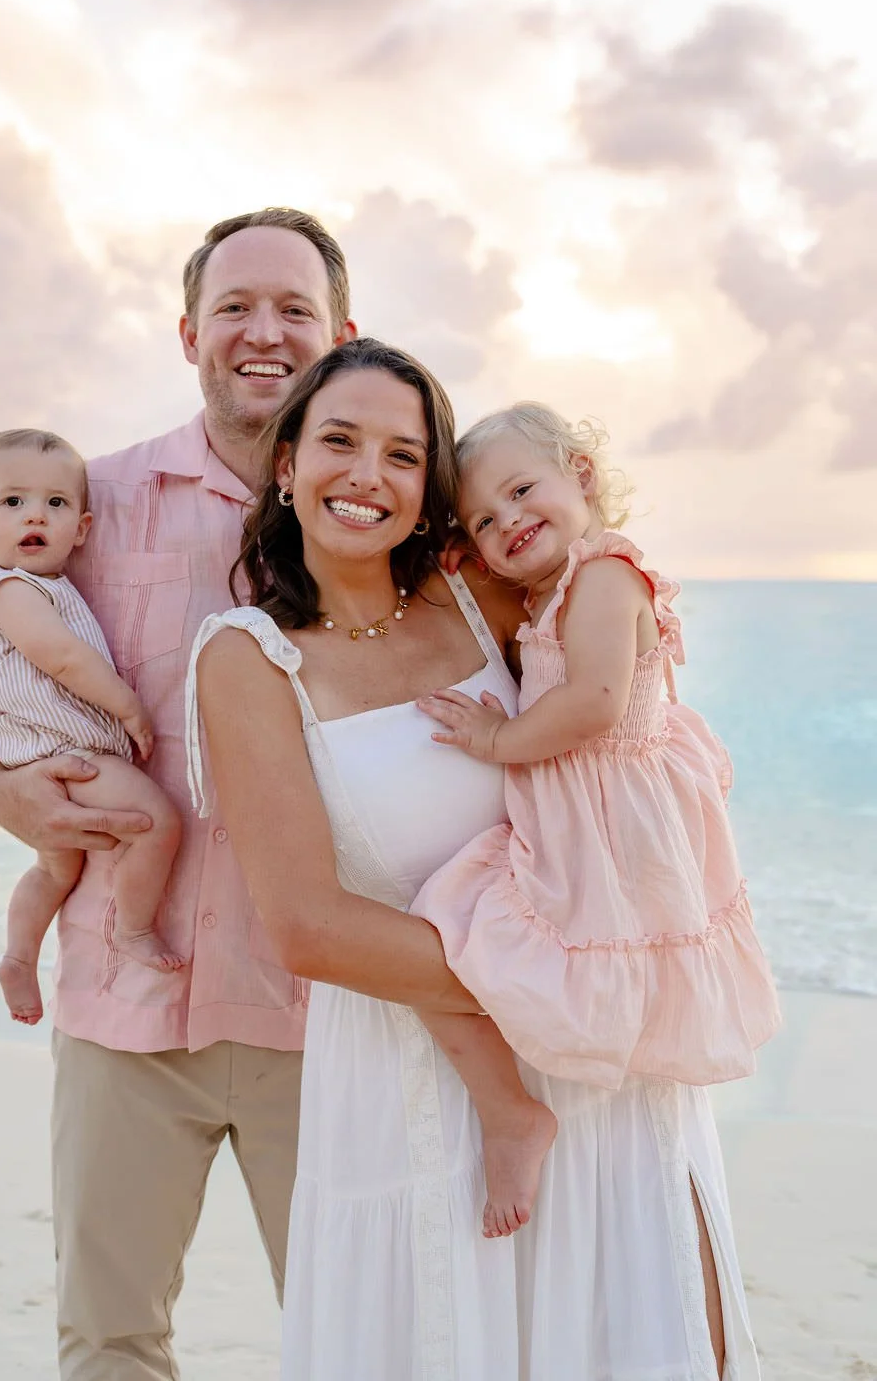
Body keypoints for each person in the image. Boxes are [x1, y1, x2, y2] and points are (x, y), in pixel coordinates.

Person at [193, 341, 762, 1380]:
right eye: (338, 441)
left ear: (428, 494)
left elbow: (619, 705)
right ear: (286, 467)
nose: (368, 474)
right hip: (424, 1076)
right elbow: (306, 928)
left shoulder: (484, 603)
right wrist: (571, 969)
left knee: (651, 1330)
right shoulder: (245, 658)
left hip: (605, 1059)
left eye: (403, 455)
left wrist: (634, 944)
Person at [0, 208, 355, 1380]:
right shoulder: (90, 499)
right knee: (111, 1343)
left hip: (323, 1017)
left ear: (341, 334)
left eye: (293, 309)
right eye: (234, 306)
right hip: (129, 999)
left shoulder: (389, 516)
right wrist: (2, 792)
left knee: (359, 1339)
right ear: (189, 332)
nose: (262, 332)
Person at [412, 402, 783, 1238]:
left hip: (611, 810)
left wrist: (496, 737)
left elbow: (596, 703)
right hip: (580, 807)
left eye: (522, 490)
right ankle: (519, 1106)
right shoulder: (545, 590)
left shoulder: (606, 576)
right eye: (484, 518)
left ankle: (541, 1101)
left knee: (458, 918)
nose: (511, 521)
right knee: (451, 919)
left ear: (579, 473)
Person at [0, 427, 184, 1024]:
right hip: (67, 749)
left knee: (55, 866)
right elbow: (62, 657)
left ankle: (17, 956)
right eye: (12, 502)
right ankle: (134, 929)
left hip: (40, 753)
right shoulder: (7, 588)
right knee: (156, 822)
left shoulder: (47, 584)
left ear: (81, 529)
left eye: (55, 504)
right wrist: (128, 707)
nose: (35, 514)